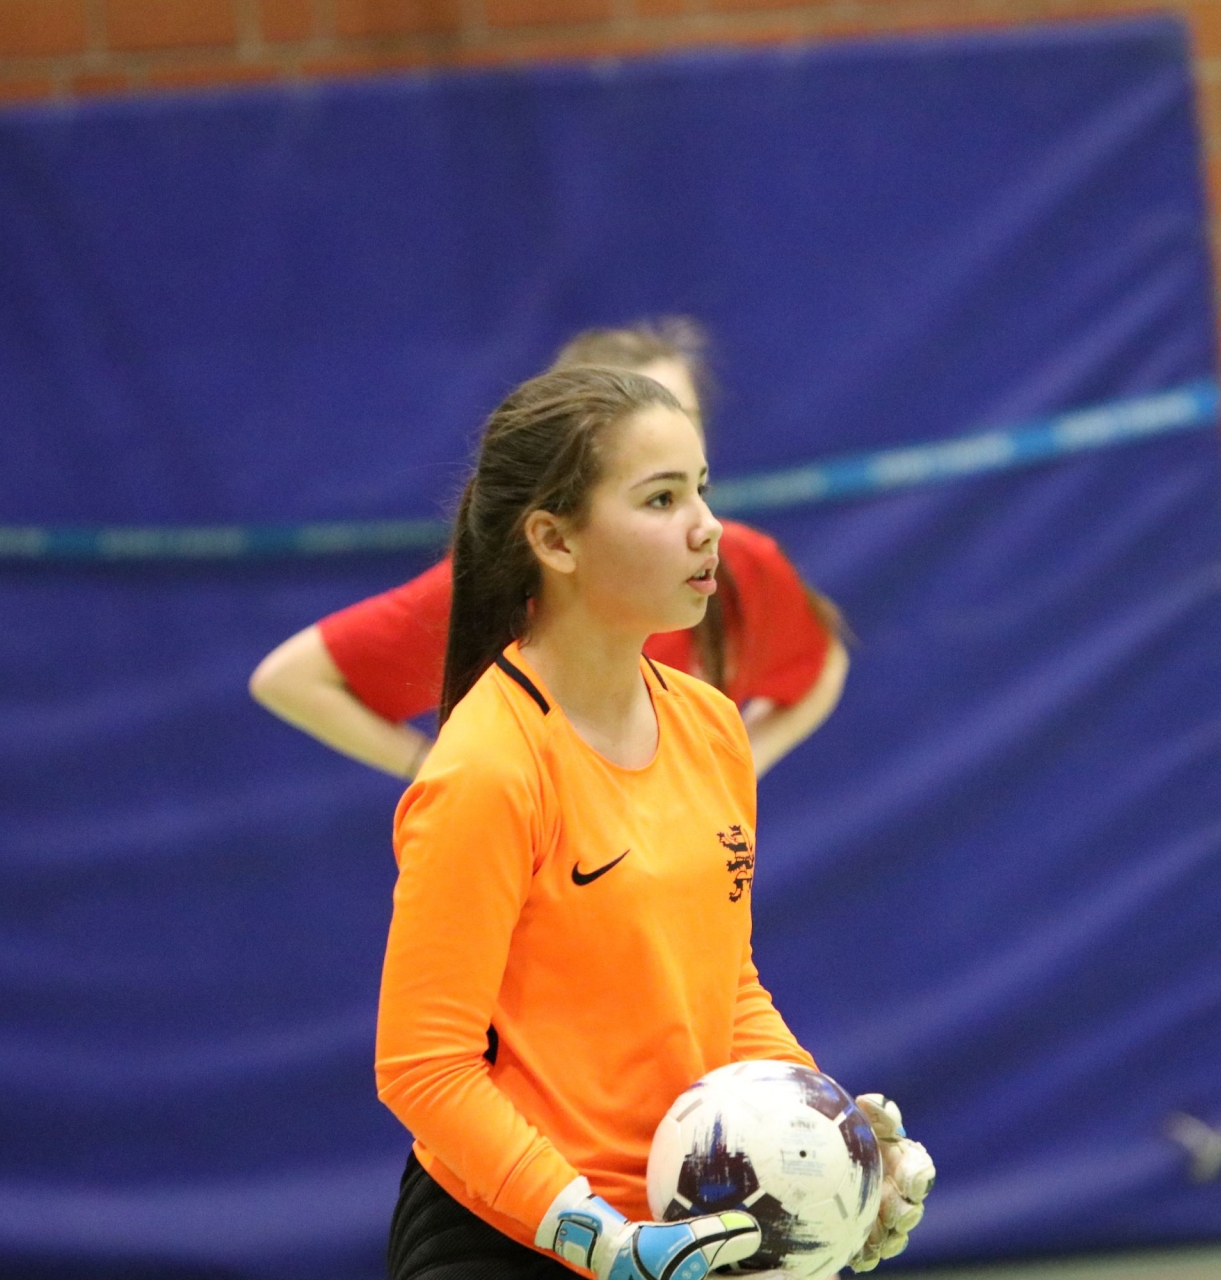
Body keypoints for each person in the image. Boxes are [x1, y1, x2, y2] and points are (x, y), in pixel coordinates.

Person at [374, 366, 931, 1280]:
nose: (708, 526)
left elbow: (726, 987)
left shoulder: (711, 725)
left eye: (702, 489)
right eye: (662, 498)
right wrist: (599, 1238)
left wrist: (827, 1138)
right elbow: (423, 1068)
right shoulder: (488, 769)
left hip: (683, 1231)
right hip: (511, 1240)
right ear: (554, 540)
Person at [249, 321, 849, 782]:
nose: (705, 526)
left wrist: (736, 772)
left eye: (684, 419)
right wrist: (441, 772)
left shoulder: (735, 566)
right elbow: (292, 679)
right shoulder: (490, 597)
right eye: (639, 423)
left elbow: (820, 661)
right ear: (556, 533)